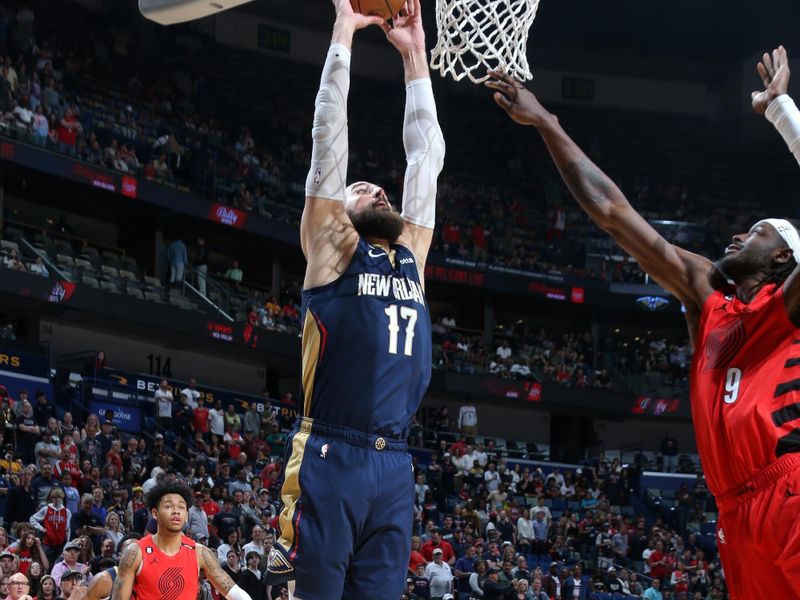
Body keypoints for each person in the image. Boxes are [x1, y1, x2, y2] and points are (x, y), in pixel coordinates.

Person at [485, 45, 800, 599]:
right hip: (732, 514)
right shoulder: (707, 297)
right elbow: (613, 212)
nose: (736, 236)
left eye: (756, 232)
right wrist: (546, 122)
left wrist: (781, 113)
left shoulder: (792, 308)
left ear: (782, 260)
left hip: (789, 492)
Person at [265, 0, 444, 599]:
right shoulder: (333, 247)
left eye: (382, 188)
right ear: (338, 207)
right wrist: (344, 29)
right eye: (362, 187)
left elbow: (427, 157)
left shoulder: (409, 254)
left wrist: (414, 53)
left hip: (394, 462)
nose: (379, 188)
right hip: (329, 451)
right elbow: (328, 142)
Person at [110, 482, 252, 600]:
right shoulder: (135, 552)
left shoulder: (200, 552)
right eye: (169, 506)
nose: (176, 511)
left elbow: (233, 592)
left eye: (181, 507)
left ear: (186, 516)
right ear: (155, 513)